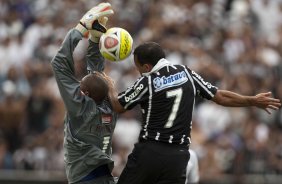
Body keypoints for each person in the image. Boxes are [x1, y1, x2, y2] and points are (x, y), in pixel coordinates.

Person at [108, 42, 281, 184]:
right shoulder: (186, 73)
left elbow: (118, 106)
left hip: (150, 152)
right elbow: (220, 96)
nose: (138, 71)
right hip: (178, 157)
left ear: (147, 66)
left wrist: (108, 84)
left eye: (138, 67)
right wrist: (251, 100)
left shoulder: (147, 81)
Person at [51, 3, 118, 184]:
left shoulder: (80, 109)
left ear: (84, 93)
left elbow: (59, 63)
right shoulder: (111, 106)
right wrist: (95, 41)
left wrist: (80, 28)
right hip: (106, 177)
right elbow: (97, 77)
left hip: (83, 179)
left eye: (81, 85)